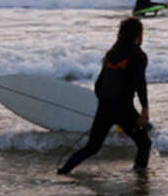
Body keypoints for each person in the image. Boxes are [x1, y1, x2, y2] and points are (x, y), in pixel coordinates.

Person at [58, 17, 152, 174]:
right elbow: (140, 84)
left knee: (92, 147)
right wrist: (144, 110)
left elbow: (98, 86)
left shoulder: (111, 54)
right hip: (123, 109)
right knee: (144, 143)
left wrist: (105, 107)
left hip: (105, 108)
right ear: (138, 33)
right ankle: (140, 178)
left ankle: (64, 170)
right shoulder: (138, 55)